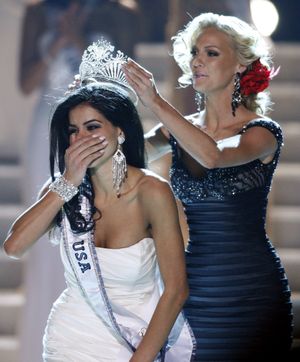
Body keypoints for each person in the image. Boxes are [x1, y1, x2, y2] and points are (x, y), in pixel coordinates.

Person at [5, 40, 195, 361]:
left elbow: (176, 290)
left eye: (93, 127)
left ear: (119, 131)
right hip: (69, 341)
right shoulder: (63, 190)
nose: (81, 139)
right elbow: (14, 247)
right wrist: (67, 182)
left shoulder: (152, 192)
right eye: (73, 131)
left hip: (134, 343)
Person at [123, 12, 293, 361]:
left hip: (253, 294)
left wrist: (154, 101)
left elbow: (212, 155)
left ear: (240, 65)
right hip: (196, 292)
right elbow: (125, 159)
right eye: (195, 52)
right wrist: (92, 104)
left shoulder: (262, 133)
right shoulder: (177, 131)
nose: (198, 60)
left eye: (211, 53)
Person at [19, 1, 139, 360]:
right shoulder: (38, 14)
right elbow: (25, 83)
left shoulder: (121, 14)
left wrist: (80, 39)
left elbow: (124, 85)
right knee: (48, 239)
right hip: (49, 132)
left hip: (99, 133)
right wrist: (57, 44)